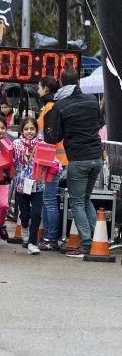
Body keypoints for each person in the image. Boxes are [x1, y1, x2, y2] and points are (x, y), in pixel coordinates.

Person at [43, 67, 104, 257]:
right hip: (96, 158)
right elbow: (99, 123)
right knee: (86, 200)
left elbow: (54, 137)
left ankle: (86, 242)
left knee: (77, 203)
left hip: (78, 159)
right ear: (79, 81)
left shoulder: (61, 105)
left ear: (61, 83)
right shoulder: (92, 100)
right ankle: (98, 238)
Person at [13, 117, 59, 255]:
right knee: (25, 214)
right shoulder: (16, 144)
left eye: (32, 129)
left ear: (37, 130)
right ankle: (25, 227)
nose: (29, 132)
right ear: (22, 130)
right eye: (26, 129)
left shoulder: (42, 144)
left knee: (36, 214)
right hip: (21, 185)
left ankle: (32, 243)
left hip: (38, 185)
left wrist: (56, 165)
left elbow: (54, 159)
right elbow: (10, 160)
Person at [37, 76, 65, 250]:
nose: (37, 90)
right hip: (57, 159)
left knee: (49, 200)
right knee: (49, 199)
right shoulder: (56, 105)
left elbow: (44, 136)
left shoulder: (49, 108)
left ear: (46, 88)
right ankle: (49, 236)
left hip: (52, 160)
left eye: (39, 87)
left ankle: (50, 238)